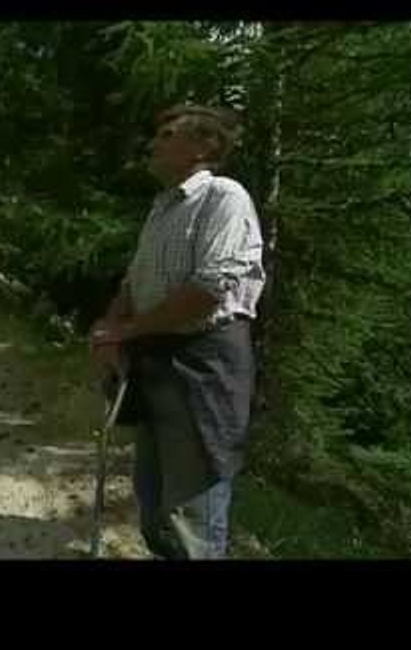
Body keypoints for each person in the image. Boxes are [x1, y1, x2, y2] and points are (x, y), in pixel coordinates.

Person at [90, 103, 265, 559]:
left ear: (203, 146)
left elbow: (208, 290)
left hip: (203, 365)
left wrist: (127, 331)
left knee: (193, 516)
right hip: (156, 361)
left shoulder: (224, 197)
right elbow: (134, 282)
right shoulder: (162, 208)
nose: (154, 143)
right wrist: (111, 329)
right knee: (154, 508)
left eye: (168, 135)